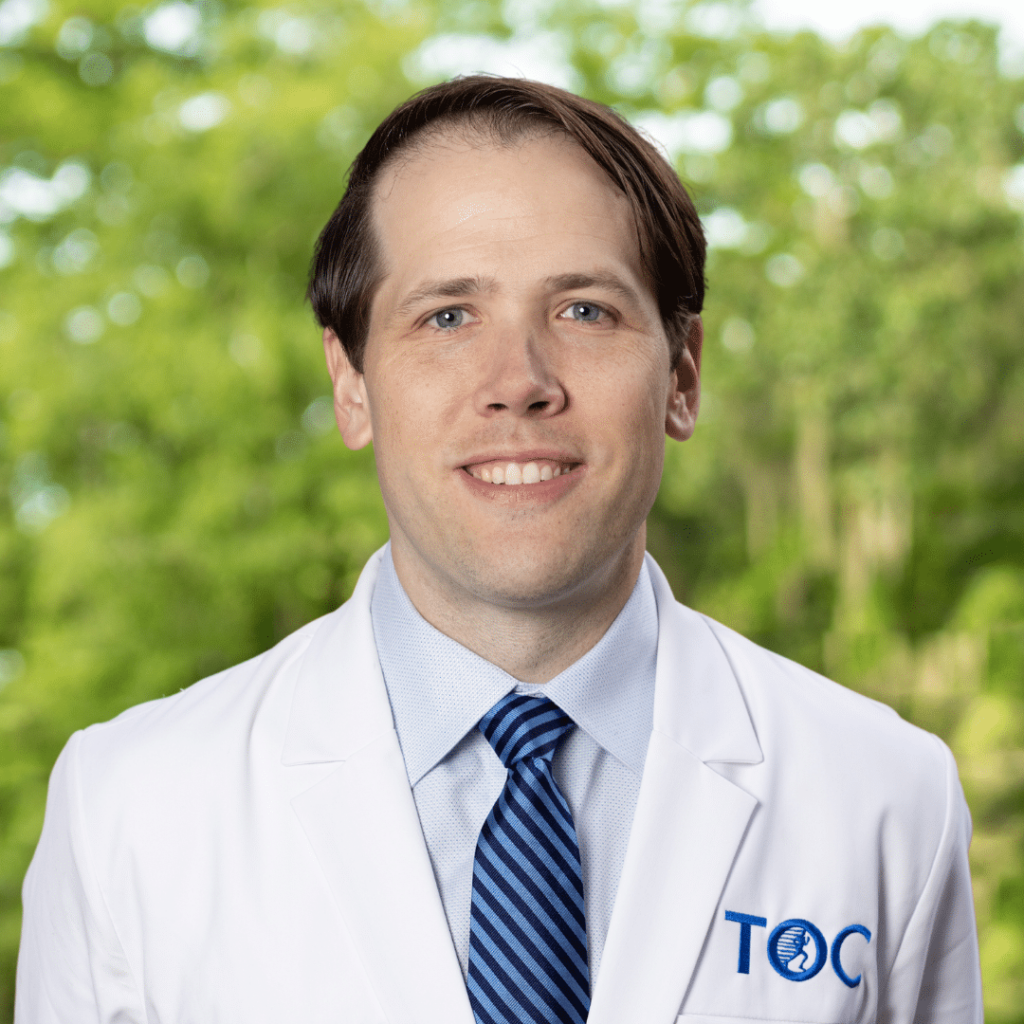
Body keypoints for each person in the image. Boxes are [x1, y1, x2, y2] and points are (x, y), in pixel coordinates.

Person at [16, 76, 981, 1024]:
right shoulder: (128, 809)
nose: (518, 382)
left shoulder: (887, 797)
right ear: (351, 385)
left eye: (584, 310)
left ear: (682, 376)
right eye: (447, 316)